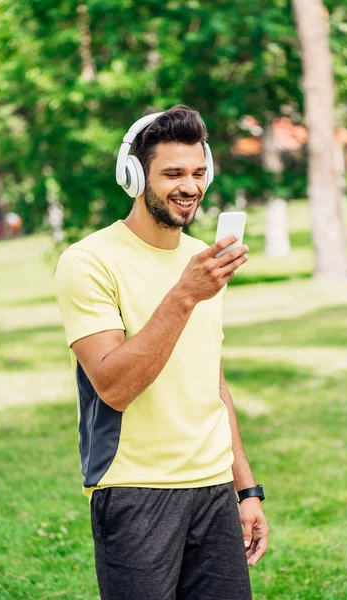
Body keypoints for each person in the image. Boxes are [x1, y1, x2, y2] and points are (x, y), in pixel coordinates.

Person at [54, 105, 269, 600]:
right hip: (135, 492)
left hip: (214, 490)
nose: (189, 186)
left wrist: (246, 488)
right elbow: (113, 386)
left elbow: (210, 380)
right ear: (134, 176)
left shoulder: (202, 261)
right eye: (172, 173)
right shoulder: (89, 262)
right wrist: (185, 295)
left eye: (198, 172)